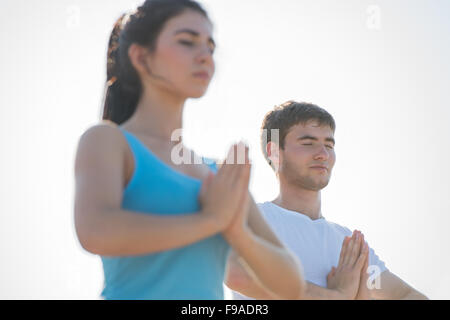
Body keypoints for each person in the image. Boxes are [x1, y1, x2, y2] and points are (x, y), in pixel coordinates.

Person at [73, 0, 305, 300]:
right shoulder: (107, 141)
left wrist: (237, 233)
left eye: (210, 47)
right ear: (142, 58)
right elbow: (96, 231)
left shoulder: (219, 175)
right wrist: (210, 221)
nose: (205, 56)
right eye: (187, 42)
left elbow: (291, 285)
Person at [228, 101, 428, 299]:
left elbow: (405, 295)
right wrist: (336, 296)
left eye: (329, 145)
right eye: (308, 144)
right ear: (274, 152)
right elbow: (237, 275)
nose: (323, 154)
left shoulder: (348, 244)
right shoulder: (253, 218)